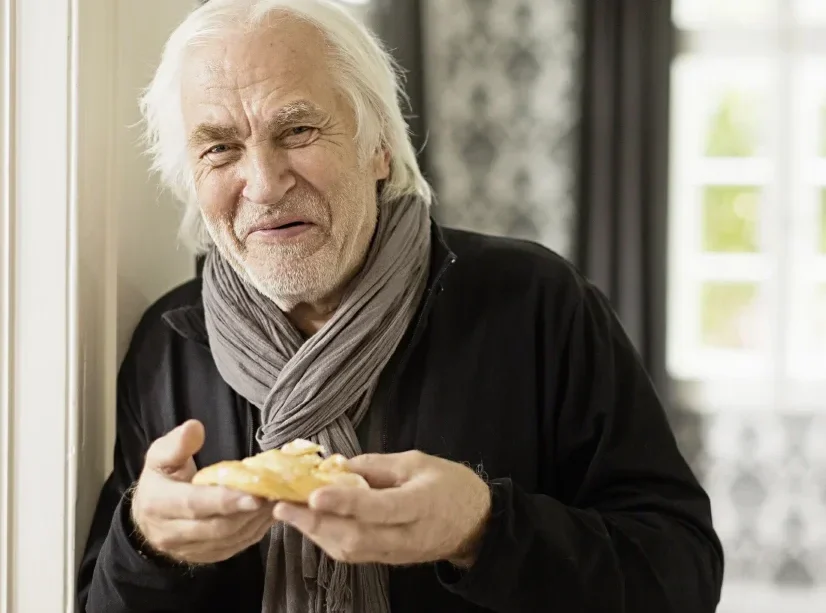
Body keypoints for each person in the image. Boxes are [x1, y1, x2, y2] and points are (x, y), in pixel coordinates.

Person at [76, 0, 724, 611]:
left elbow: (681, 573)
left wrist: (482, 529)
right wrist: (149, 542)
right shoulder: (169, 346)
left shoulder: (537, 305)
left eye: (298, 129)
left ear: (379, 146)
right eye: (220, 147)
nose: (265, 183)